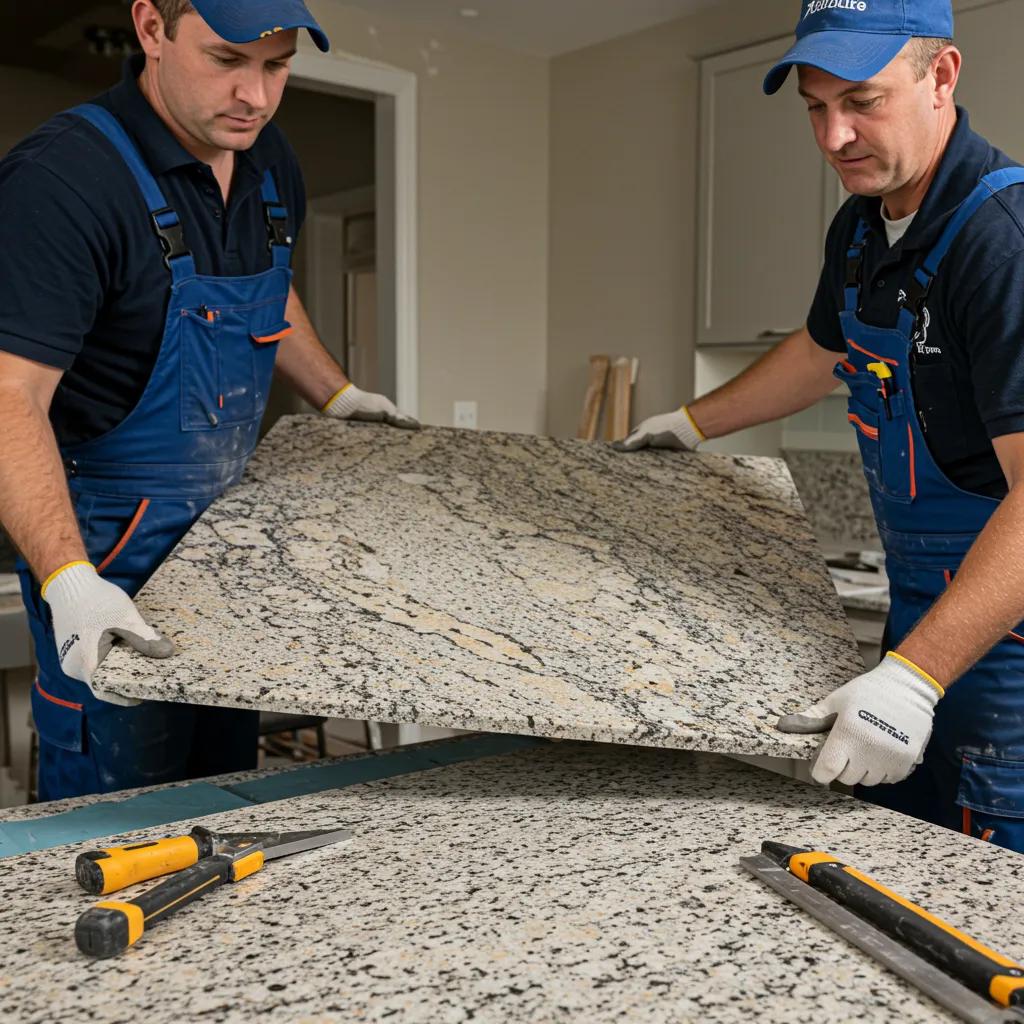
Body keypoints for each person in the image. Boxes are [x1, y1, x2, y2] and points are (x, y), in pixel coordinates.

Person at [619, 0, 1024, 852]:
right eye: (816, 107)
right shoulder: (861, 226)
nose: (835, 137)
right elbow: (820, 351)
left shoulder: (1003, 243)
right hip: (920, 623)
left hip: (1008, 662)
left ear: (942, 76)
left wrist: (914, 680)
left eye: (863, 102)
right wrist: (689, 424)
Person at [0, 0, 418, 802]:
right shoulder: (62, 180)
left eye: (277, 66)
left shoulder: (268, 159)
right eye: (227, 59)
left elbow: (265, 287)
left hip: (224, 546)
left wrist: (337, 395)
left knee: (222, 791)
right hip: (109, 550)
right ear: (151, 29)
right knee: (117, 810)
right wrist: (69, 580)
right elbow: (10, 393)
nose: (255, 96)